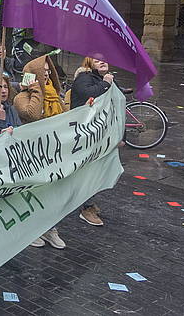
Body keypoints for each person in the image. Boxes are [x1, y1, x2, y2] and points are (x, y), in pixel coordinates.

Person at [13, 55, 66, 249]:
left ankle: (50, 229)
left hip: (54, 154)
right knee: (34, 194)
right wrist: (35, 90)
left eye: (47, 72)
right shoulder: (22, 98)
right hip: (33, 156)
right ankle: (32, 229)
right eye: (41, 73)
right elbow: (32, 114)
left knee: (52, 195)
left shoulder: (55, 96)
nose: (46, 75)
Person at [70, 57, 116, 227]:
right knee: (86, 172)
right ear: (89, 64)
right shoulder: (84, 78)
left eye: (104, 59)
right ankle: (86, 207)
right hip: (84, 135)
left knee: (96, 170)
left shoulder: (105, 79)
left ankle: (85, 201)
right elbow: (88, 94)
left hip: (99, 135)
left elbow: (114, 108)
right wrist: (106, 84)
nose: (102, 62)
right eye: (97, 61)